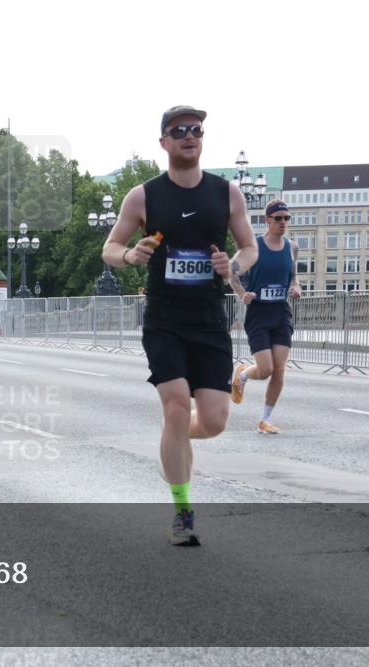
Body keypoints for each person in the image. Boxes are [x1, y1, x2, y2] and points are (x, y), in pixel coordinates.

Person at [102, 106, 258, 546]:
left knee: (212, 421)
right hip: (165, 319)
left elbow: (250, 249)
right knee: (174, 405)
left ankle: (174, 437)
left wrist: (233, 265)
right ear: (164, 142)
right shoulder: (144, 196)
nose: (190, 136)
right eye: (180, 131)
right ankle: (183, 510)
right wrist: (130, 255)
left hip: (210, 320)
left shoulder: (226, 193)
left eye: (196, 130)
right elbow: (110, 247)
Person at [229, 200, 301, 434]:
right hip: (258, 313)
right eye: (278, 218)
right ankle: (242, 374)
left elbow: (293, 276)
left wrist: (296, 287)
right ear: (268, 219)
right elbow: (231, 272)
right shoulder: (254, 247)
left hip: (281, 311)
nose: (283, 222)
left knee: (279, 369)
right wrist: (242, 294)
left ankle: (265, 419)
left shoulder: (292, 247)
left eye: (286, 218)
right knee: (265, 369)